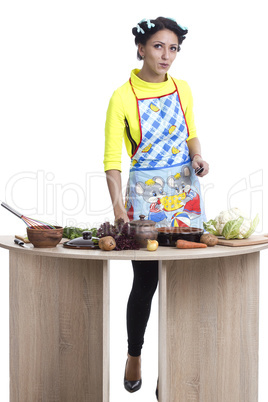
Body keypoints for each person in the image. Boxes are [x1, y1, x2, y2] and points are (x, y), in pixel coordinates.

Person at [104, 16, 209, 399]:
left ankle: (174, 367)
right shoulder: (122, 96)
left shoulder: (183, 89)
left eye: (174, 48)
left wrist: (198, 157)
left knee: (183, 281)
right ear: (141, 49)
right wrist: (119, 211)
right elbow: (112, 160)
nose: (167, 55)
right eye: (159, 47)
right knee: (146, 282)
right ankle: (134, 354)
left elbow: (191, 131)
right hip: (143, 199)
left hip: (184, 193)